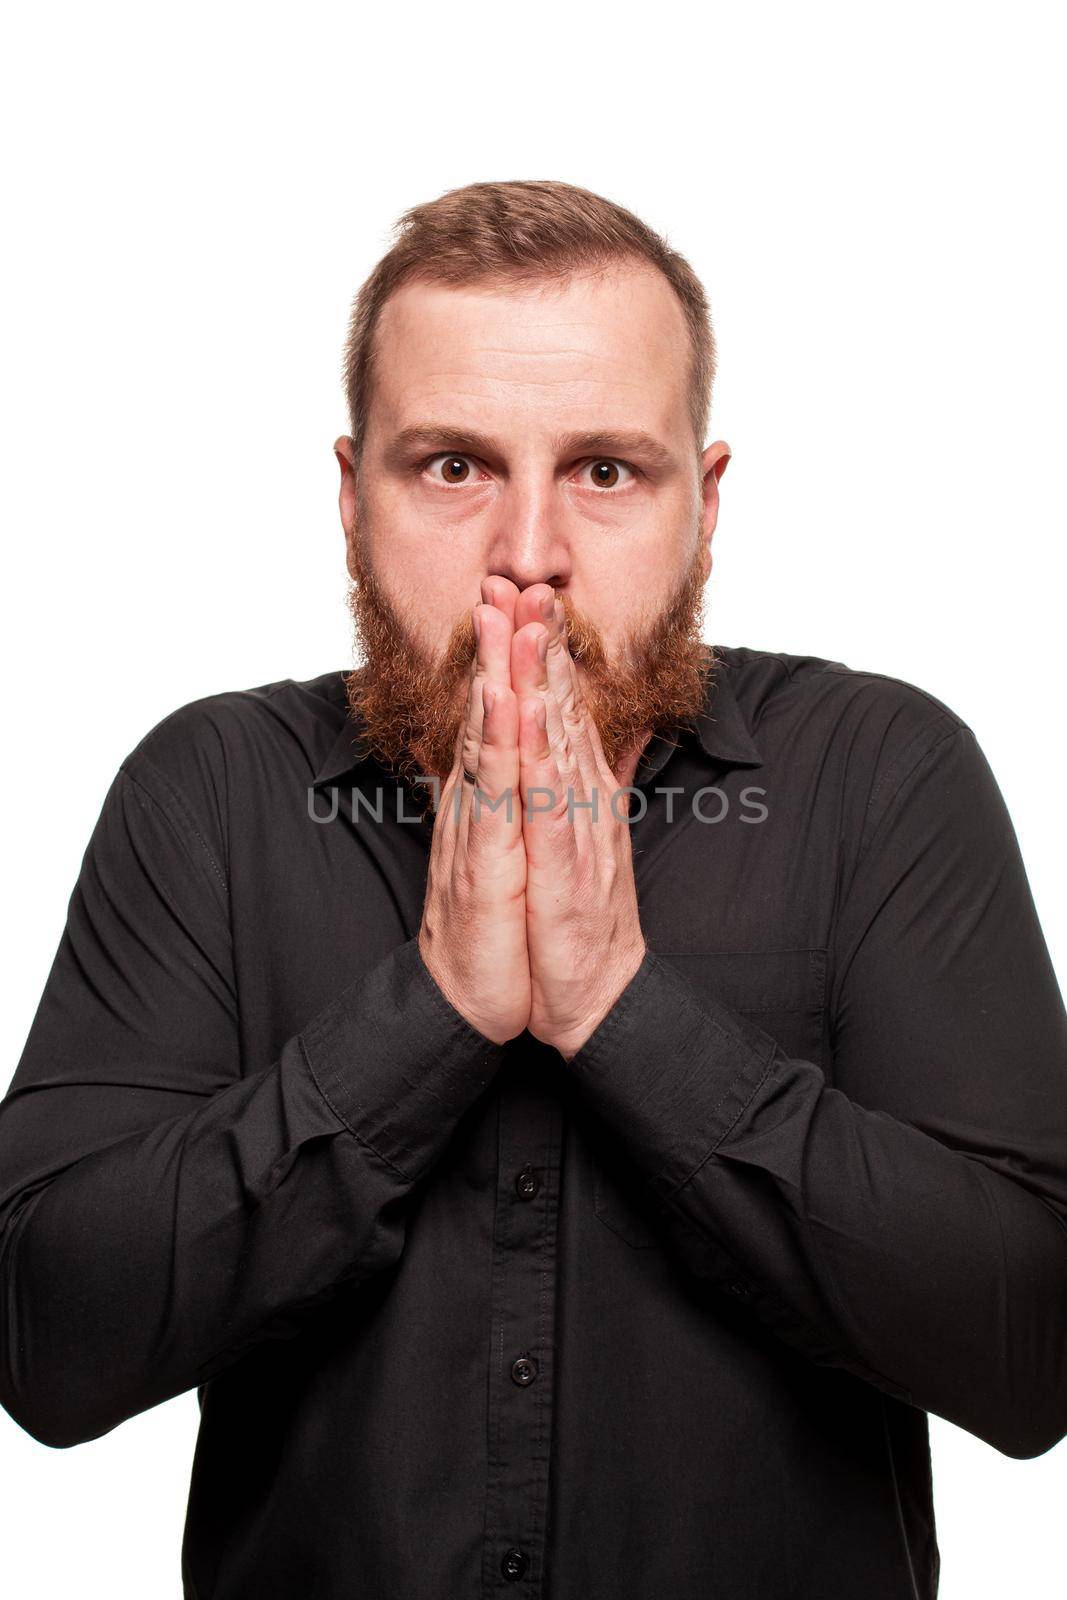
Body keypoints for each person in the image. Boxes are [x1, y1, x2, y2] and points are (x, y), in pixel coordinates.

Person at [1, 178, 1065, 1600]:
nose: (528, 557)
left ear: (707, 498)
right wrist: (429, 1014)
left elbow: (1033, 1352)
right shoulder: (214, 788)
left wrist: (624, 1015)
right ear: (348, 492)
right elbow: (45, 1340)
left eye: (606, 471)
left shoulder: (882, 776)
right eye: (452, 467)